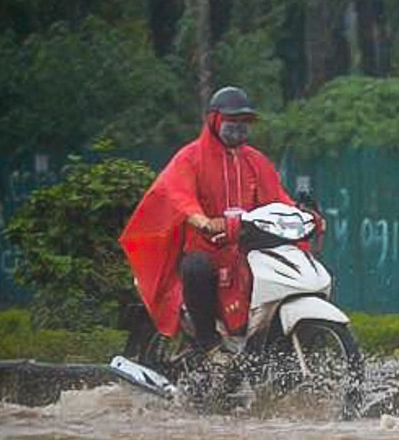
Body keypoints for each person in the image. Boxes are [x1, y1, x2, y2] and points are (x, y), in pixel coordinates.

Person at [120, 86, 297, 354]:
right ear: (214, 120)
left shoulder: (255, 161)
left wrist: (300, 216)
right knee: (196, 268)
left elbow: (277, 198)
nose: (238, 128)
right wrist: (202, 220)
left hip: (245, 249)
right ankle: (207, 343)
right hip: (205, 247)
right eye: (231, 121)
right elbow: (178, 193)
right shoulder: (191, 157)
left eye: (243, 122)